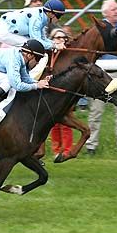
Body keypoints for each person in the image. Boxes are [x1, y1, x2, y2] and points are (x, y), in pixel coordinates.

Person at [86, 0, 117, 155]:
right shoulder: (97, 30)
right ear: (105, 13)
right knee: (96, 112)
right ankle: (91, 145)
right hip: (101, 76)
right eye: (113, 9)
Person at [0, 39, 51, 114]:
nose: (38, 63)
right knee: (8, 80)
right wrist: (36, 86)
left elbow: (25, 78)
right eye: (38, 59)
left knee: (9, 79)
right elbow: (17, 85)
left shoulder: (20, 58)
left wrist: (38, 83)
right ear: (30, 55)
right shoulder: (14, 60)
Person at [0, 0, 66, 51]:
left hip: (9, 29)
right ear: (50, 13)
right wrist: (54, 45)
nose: (60, 19)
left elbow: (43, 38)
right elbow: (36, 41)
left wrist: (54, 43)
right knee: (32, 46)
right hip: (4, 31)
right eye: (58, 16)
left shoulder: (43, 17)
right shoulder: (37, 18)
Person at [47, 27, 74, 157]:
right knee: (53, 123)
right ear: (51, 40)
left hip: (65, 93)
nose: (61, 40)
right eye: (58, 38)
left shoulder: (68, 55)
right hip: (51, 94)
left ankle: (67, 150)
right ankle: (57, 150)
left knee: (66, 122)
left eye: (64, 38)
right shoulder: (48, 54)